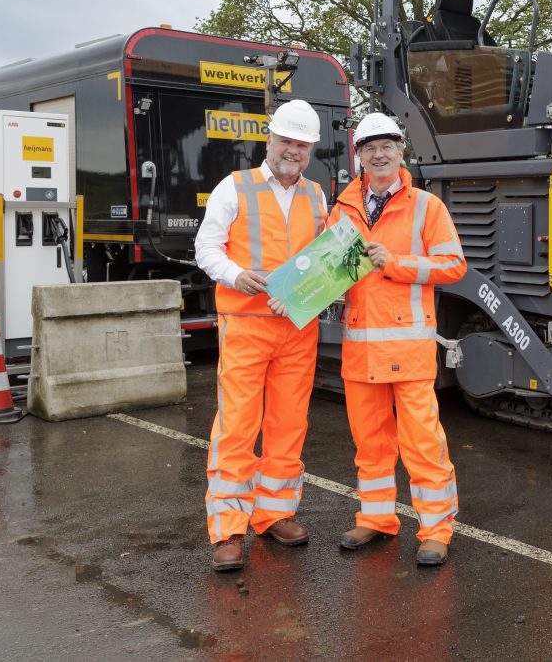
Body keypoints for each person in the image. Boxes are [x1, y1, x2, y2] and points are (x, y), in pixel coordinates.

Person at [326, 112, 466, 566]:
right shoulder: (343, 208)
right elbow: (330, 274)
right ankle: (377, 518)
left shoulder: (427, 206)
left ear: (401, 149)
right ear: (359, 156)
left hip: (407, 348)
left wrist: (396, 262)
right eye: (369, 147)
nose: (379, 154)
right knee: (370, 441)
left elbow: (452, 266)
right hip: (361, 348)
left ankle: (436, 528)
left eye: (386, 145)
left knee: (422, 442)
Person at [194, 98, 327, 572]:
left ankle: (274, 515)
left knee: (289, 425)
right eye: (287, 141)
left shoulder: (316, 196)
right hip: (248, 325)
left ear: (310, 149)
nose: (294, 150)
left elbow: (324, 261)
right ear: (269, 140)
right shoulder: (234, 188)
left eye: (303, 144)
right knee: (237, 426)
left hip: (298, 327)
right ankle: (228, 530)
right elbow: (206, 247)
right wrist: (234, 275)